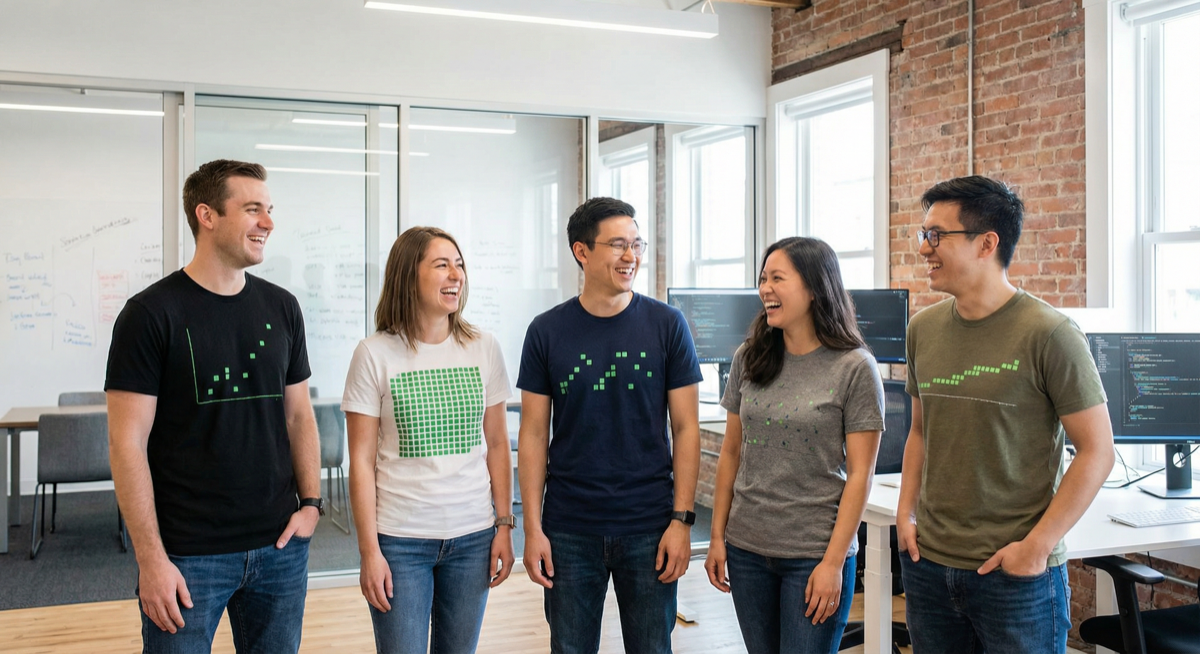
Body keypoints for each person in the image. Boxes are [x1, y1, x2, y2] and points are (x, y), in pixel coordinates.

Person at [106, 159, 322, 653]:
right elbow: (126, 443)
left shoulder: (283, 307)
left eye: (269, 210)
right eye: (252, 209)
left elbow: (298, 415)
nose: (268, 222)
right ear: (207, 215)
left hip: (280, 548)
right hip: (187, 556)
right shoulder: (150, 314)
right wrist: (151, 560)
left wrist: (310, 505)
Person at [897, 175, 1115, 653]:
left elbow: (1098, 451)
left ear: (986, 244)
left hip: (1015, 577)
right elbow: (919, 431)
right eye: (923, 234)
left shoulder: (1051, 333)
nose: (924, 248)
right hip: (929, 566)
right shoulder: (923, 330)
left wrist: (1036, 548)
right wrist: (905, 513)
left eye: (937, 235)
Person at [517, 197, 702, 654]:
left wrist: (682, 521)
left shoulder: (667, 325)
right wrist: (533, 528)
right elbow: (534, 435)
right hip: (569, 528)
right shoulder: (546, 331)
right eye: (618, 244)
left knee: (652, 648)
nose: (631, 256)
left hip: (650, 525)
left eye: (636, 244)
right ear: (582, 251)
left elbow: (686, 429)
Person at [704, 237, 885, 654]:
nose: (765, 288)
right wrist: (717, 537)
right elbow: (730, 453)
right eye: (763, 278)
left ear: (815, 288)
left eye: (778, 278)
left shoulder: (855, 367)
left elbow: (861, 474)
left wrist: (834, 563)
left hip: (813, 553)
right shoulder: (750, 357)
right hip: (747, 548)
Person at [342, 226, 515, 654]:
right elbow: (360, 461)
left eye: (459, 265)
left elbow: (497, 444)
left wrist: (505, 525)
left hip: (473, 537)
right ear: (408, 274)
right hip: (400, 541)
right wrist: (369, 552)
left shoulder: (484, 347)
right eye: (442, 265)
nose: (455, 274)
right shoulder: (374, 353)